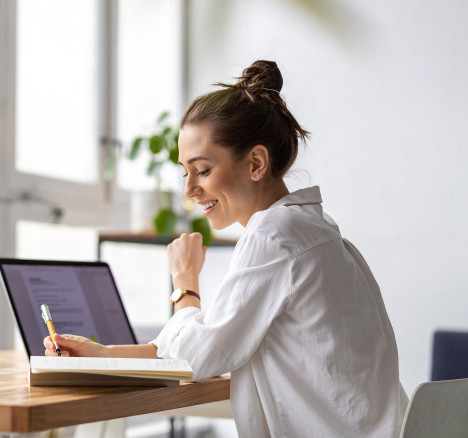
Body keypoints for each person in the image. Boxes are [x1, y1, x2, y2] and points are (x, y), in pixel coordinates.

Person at [43, 60, 408, 437]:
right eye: (185, 172)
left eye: (201, 170)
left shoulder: (273, 236)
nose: (189, 189)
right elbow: (204, 343)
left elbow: (196, 358)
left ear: (255, 163)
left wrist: (184, 282)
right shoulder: (312, 229)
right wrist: (103, 356)